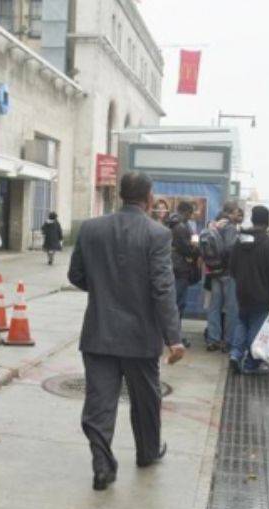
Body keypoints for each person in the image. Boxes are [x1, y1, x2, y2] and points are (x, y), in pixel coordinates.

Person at [68, 172, 185, 491]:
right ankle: (147, 452)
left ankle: (102, 467)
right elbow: (163, 289)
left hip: (99, 331)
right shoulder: (157, 234)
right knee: (146, 399)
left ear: (121, 195)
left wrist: (103, 291)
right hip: (140, 336)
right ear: (148, 199)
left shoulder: (91, 228)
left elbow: (75, 274)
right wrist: (173, 337)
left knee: (99, 404)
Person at [228, 205, 269, 375]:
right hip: (262, 294)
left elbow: (232, 267)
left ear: (252, 219)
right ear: (268, 222)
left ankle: (235, 354)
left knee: (242, 322)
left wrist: (242, 281)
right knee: (256, 329)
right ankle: (251, 364)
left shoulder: (240, 240)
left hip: (242, 291)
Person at [202, 201, 243, 351]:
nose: (238, 215)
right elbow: (230, 248)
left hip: (214, 271)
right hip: (228, 272)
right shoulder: (230, 227)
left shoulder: (212, 224)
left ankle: (213, 339)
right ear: (232, 212)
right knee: (231, 307)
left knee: (215, 306)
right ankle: (228, 341)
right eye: (237, 212)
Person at [167, 202, 199, 346]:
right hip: (180, 269)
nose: (190, 217)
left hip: (175, 268)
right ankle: (174, 336)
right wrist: (196, 248)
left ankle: (173, 334)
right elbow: (187, 249)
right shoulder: (180, 227)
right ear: (186, 212)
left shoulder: (172, 224)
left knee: (175, 303)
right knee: (178, 304)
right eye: (190, 214)